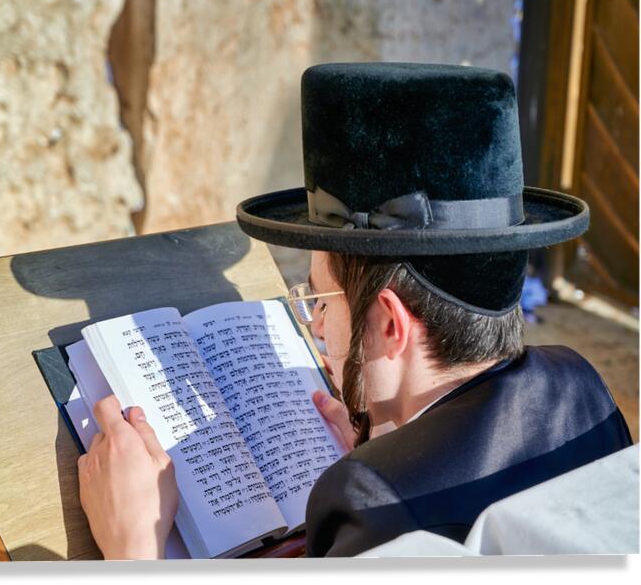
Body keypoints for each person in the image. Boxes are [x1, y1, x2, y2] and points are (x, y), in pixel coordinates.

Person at [77, 63, 632, 559]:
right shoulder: (579, 385)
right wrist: (384, 446)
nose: (314, 323)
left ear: (390, 324)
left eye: (319, 300)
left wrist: (136, 550)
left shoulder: (369, 503)